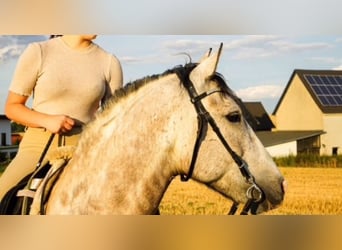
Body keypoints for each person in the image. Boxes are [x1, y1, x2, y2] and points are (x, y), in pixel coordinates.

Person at [0, 35, 123, 201]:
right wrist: (46, 120)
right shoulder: (39, 52)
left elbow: (112, 120)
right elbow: (12, 108)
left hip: (84, 150)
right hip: (37, 147)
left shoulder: (109, 62)